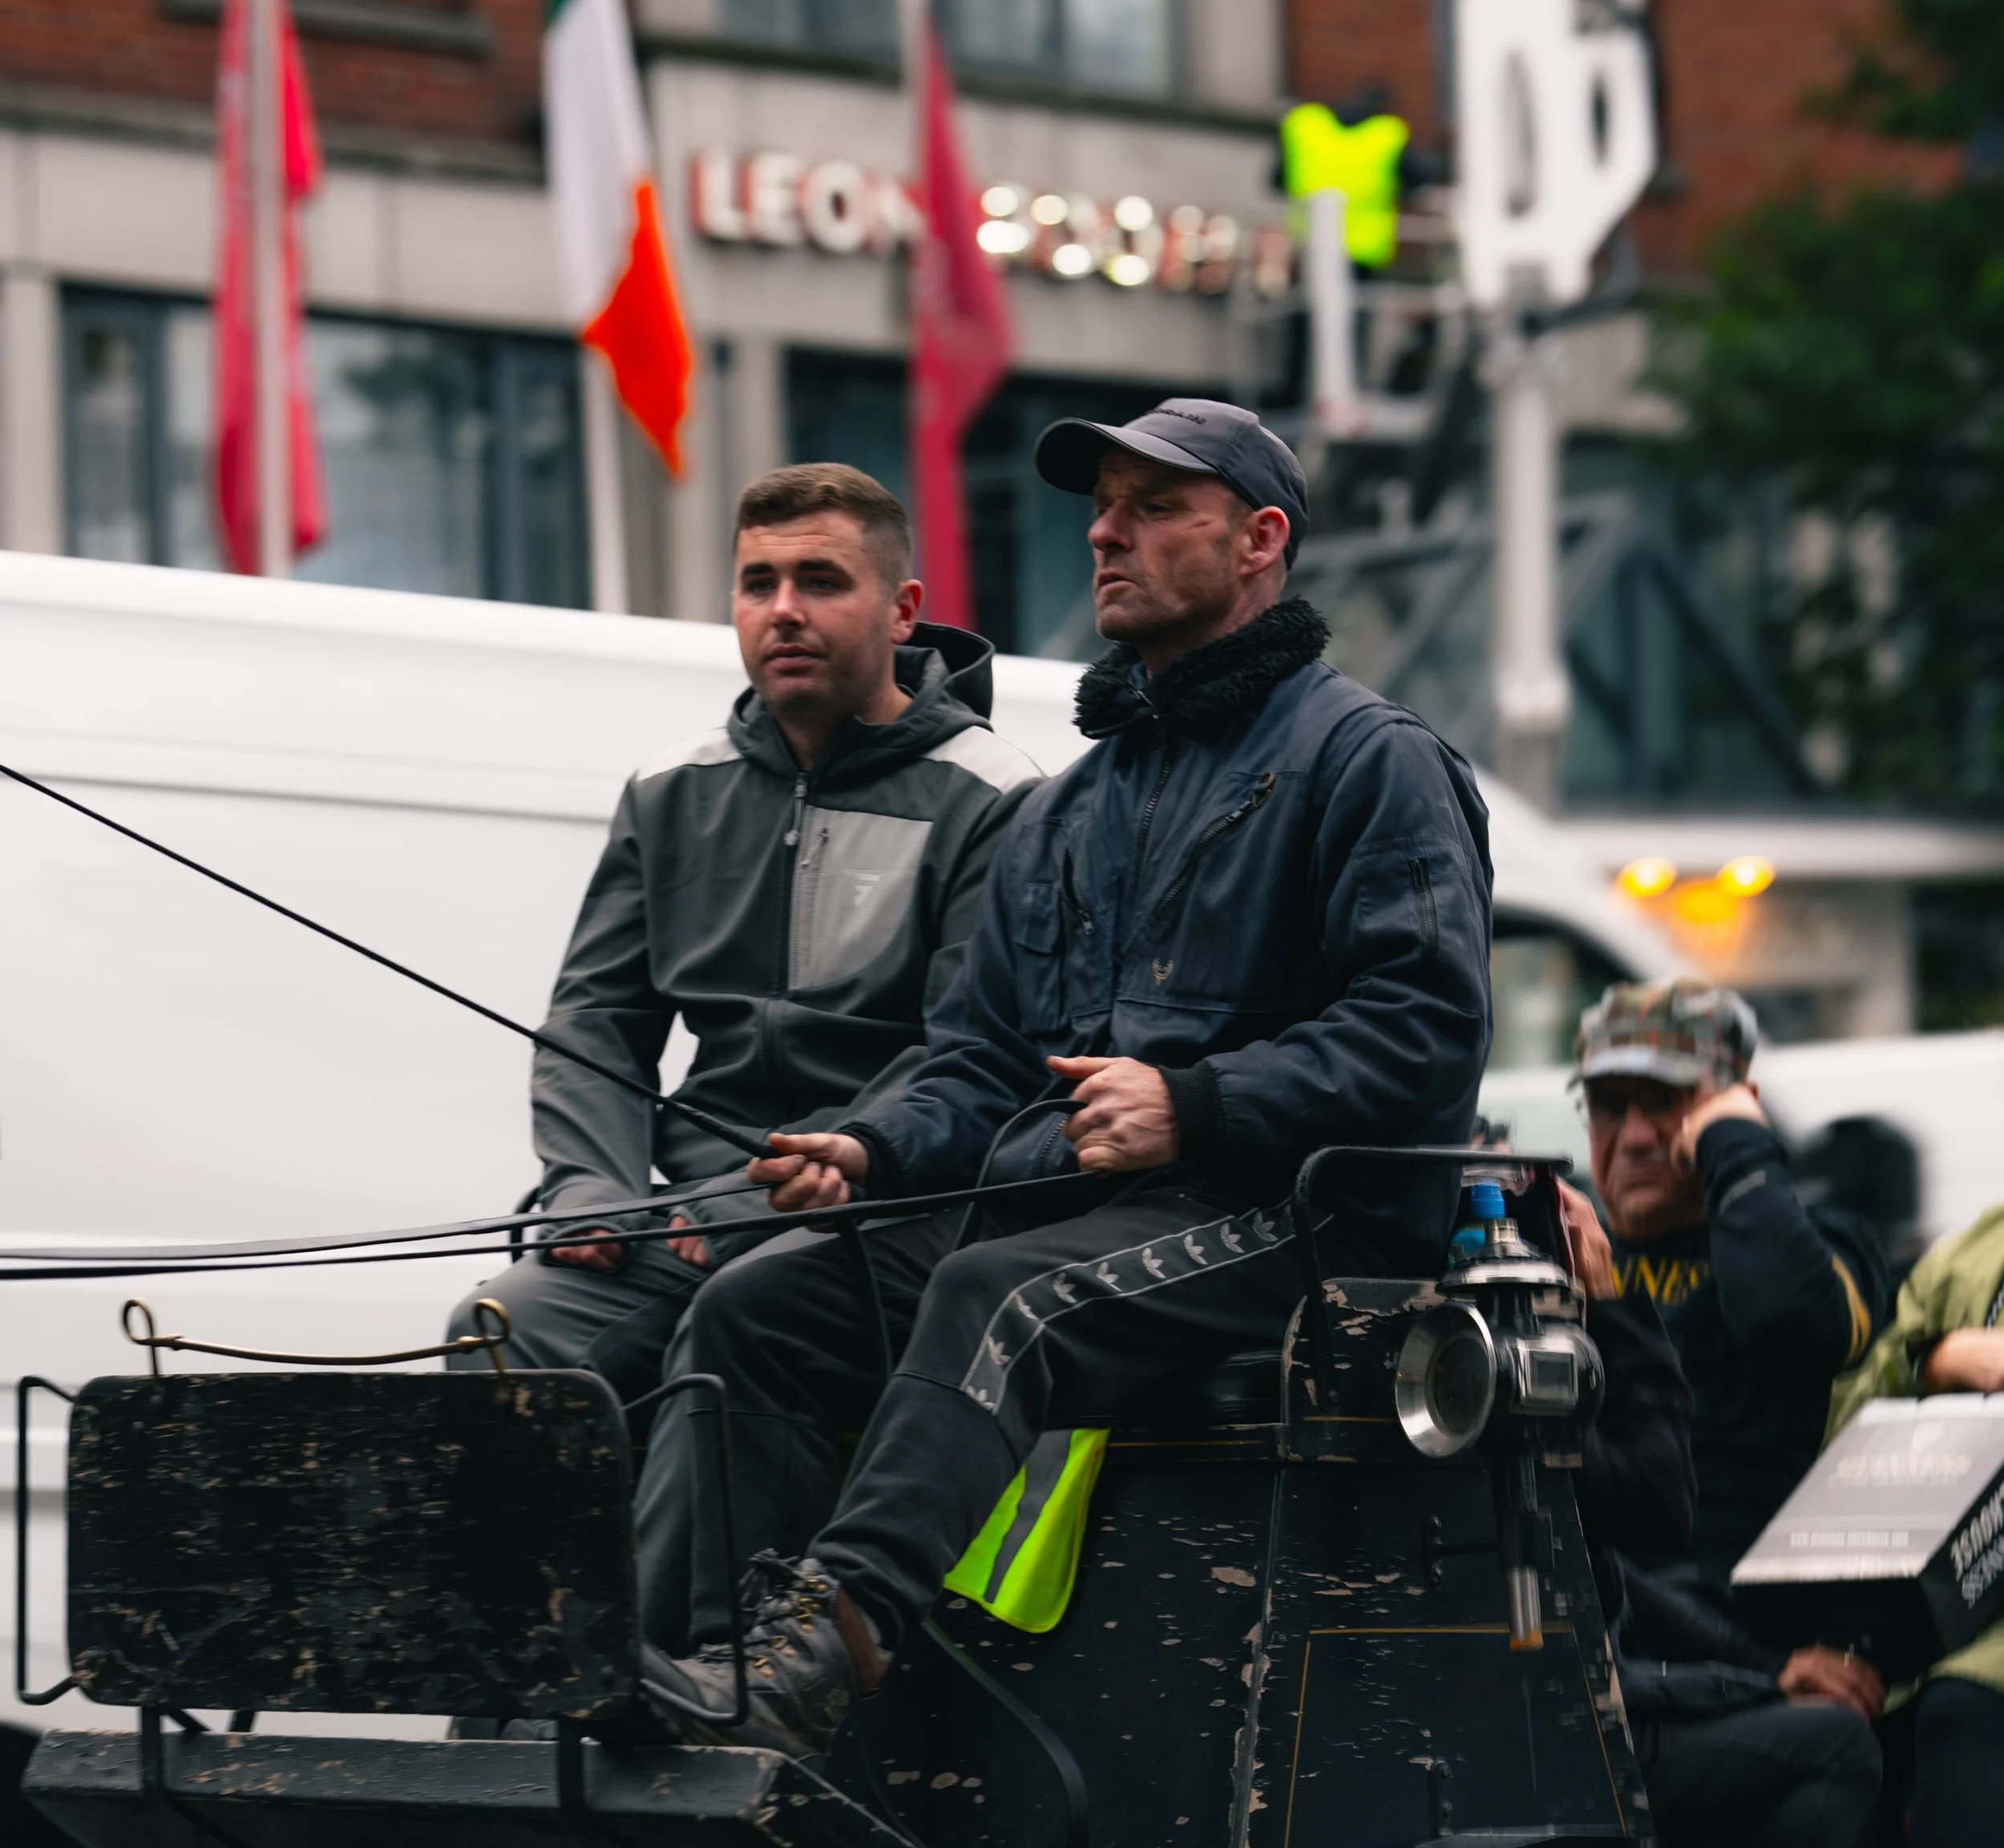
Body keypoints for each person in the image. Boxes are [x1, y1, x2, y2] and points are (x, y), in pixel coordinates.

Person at [636, 395, 1494, 1753]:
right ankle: (691, 1678)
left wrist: (1196, 1105)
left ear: (1261, 539)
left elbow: (1423, 1028)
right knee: (766, 1306)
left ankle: (826, 1656)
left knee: (997, 1295)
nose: (1106, 532)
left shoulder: (1369, 761)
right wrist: (869, 1148)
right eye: (1103, 507)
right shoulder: (1065, 810)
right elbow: (977, 1057)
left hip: (1303, 1222)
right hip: (1077, 1208)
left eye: (1156, 507)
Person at [446, 461, 1038, 1650]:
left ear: (902, 609)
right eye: (758, 582)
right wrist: (591, 1189)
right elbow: (593, 1022)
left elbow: (972, 1051)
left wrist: (805, 1176)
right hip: (682, 1212)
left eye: (822, 580)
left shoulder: (999, 799)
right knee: (500, 1325)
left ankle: (674, 1692)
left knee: (734, 1320)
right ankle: (503, 1697)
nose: (785, 610)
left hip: (882, 1217)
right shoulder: (670, 793)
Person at [1556, 1179, 1881, 1848]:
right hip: (1566, 1748)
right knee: (1837, 1750)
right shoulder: (1488, 1380)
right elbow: (1657, 1499)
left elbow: (1610, 1578)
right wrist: (1610, 1302)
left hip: (1562, 1715)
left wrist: (1766, 1668)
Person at [1806, 1205, 2004, 1848]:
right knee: (1836, 1722)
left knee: (1966, 1707)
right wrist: (1935, 1362)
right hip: (1940, 1598)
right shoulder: (1973, 1250)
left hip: (1979, 1659)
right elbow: (1849, 1416)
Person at [1578, 977, 1889, 1598]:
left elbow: (1794, 1321)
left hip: (1751, 1635)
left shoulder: (1822, 1244)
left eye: (1664, 1099)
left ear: (1735, 1104)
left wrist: (1739, 1149)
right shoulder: (1572, 1254)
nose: (1635, 1137)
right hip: (1609, 1620)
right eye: (1609, 1106)